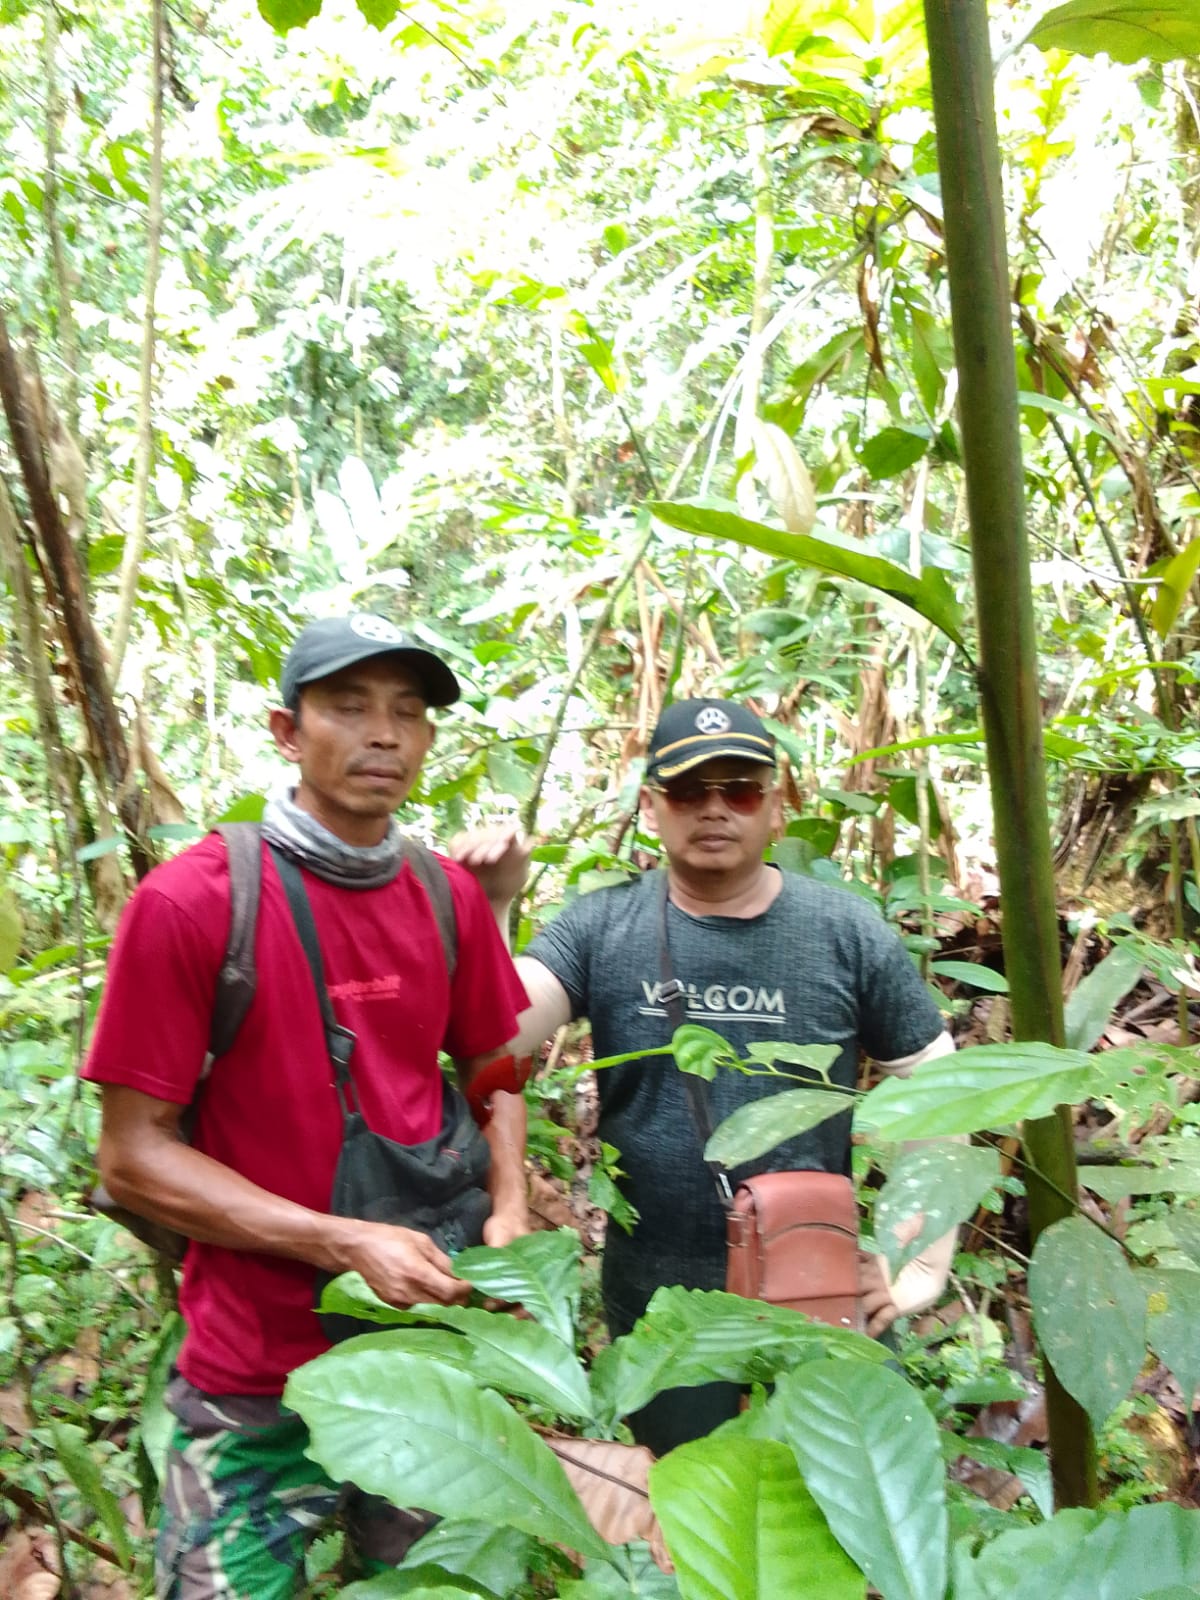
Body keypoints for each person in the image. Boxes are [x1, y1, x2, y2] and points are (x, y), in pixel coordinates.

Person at [84, 613, 530, 1599]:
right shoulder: (194, 901)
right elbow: (131, 1156)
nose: (384, 735)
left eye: (407, 713)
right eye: (349, 707)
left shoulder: (447, 897)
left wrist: (510, 1204)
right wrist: (340, 1241)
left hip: (425, 1358)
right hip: (255, 1370)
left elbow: (493, 1072)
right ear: (287, 731)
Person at [456, 697, 958, 1456]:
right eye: (689, 791)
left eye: (741, 791)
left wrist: (915, 1260)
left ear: (776, 807)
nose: (715, 809)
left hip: (812, 1278)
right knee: (687, 1498)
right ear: (652, 806)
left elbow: (937, 1081)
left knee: (839, 1492)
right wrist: (493, 903)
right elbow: (497, 1037)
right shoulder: (602, 925)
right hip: (660, 1298)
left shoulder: (844, 931)